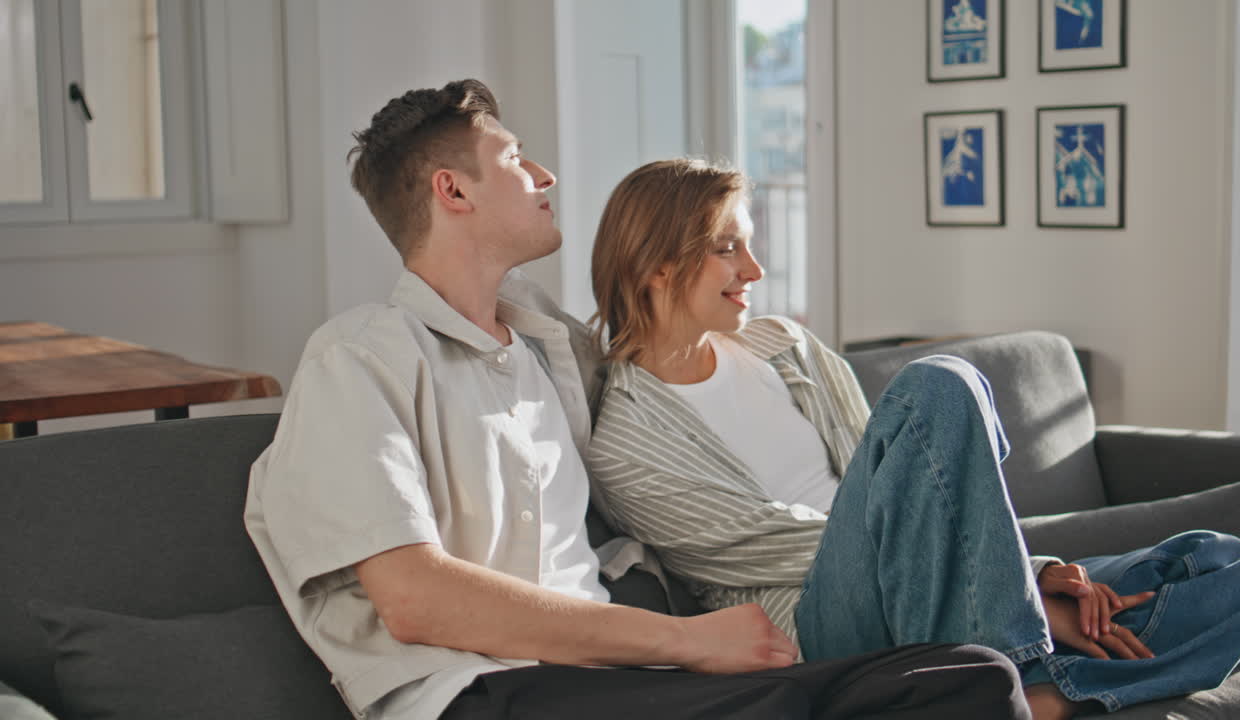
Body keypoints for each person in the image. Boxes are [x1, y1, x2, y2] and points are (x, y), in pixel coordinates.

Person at [244, 80, 1032, 720]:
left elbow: (661, 337)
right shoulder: (359, 357)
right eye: (516, 159)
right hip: (481, 689)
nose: (545, 176)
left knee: (974, 679)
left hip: (627, 681)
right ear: (453, 190)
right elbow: (416, 602)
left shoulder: (553, 348)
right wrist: (687, 640)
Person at [586, 157, 1240, 720]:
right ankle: (1009, 649)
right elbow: (767, 549)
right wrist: (1032, 580)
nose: (755, 271)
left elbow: (909, 490)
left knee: (1235, 568)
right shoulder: (625, 439)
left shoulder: (783, 346)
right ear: (659, 266)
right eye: (728, 248)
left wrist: (1025, 570)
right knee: (939, 382)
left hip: (934, 582)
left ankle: (1043, 695)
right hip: (821, 619)